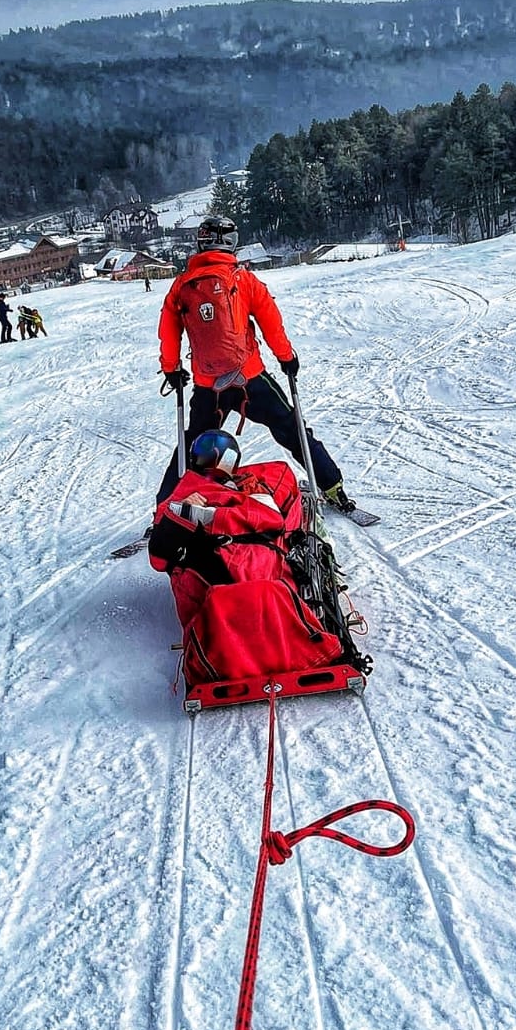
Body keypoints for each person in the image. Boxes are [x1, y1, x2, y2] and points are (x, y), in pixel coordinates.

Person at [155, 213, 355, 510]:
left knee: (193, 443)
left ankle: (167, 505)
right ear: (230, 243)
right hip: (249, 377)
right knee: (291, 427)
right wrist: (286, 357)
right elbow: (270, 322)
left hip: (209, 384)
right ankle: (331, 485)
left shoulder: (182, 285)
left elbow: (169, 331)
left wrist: (171, 369)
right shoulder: (243, 279)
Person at [149, 428, 344, 686]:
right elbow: (159, 556)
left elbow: (271, 518)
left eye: (213, 456)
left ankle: (223, 646)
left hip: (244, 559)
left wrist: (204, 516)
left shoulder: (254, 485)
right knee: (259, 586)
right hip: (228, 565)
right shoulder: (186, 494)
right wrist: (184, 513)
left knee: (251, 582)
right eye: (206, 455)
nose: (210, 462)